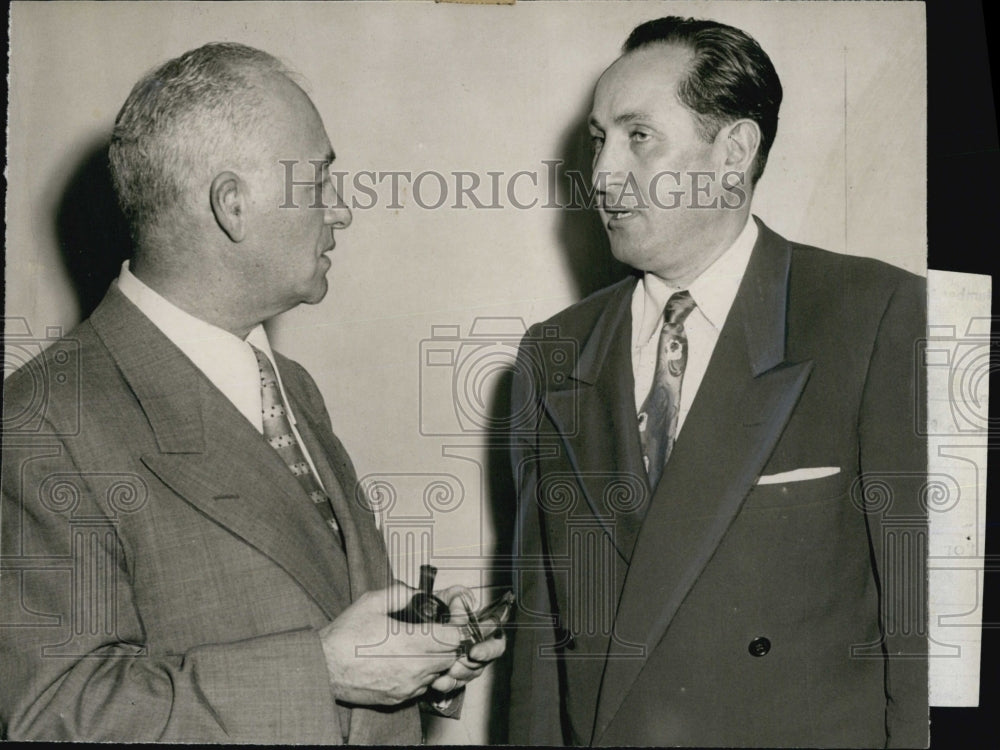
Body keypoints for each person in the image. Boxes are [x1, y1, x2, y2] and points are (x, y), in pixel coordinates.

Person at [0, 42, 503, 743]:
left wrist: (415, 656)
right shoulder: (43, 422)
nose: (343, 211)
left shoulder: (289, 386)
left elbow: (315, 613)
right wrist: (322, 673)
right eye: (319, 181)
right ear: (233, 205)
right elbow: (54, 714)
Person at [508, 16, 926, 748]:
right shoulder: (552, 354)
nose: (603, 174)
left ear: (734, 151)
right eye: (598, 140)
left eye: (639, 137)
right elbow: (543, 653)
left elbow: (922, 629)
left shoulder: (875, 315)